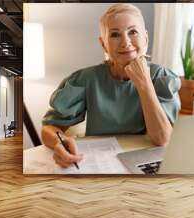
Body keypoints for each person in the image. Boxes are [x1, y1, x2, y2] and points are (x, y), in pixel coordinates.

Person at [41, 3, 181, 168]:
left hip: (143, 162)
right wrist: (61, 143)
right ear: (103, 44)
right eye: (115, 34)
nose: (125, 42)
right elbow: (49, 128)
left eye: (133, 32)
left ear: (146, 38)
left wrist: (144, 83)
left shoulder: (160, 77)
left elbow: (163, 138)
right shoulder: (86, 79)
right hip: (97, 162)